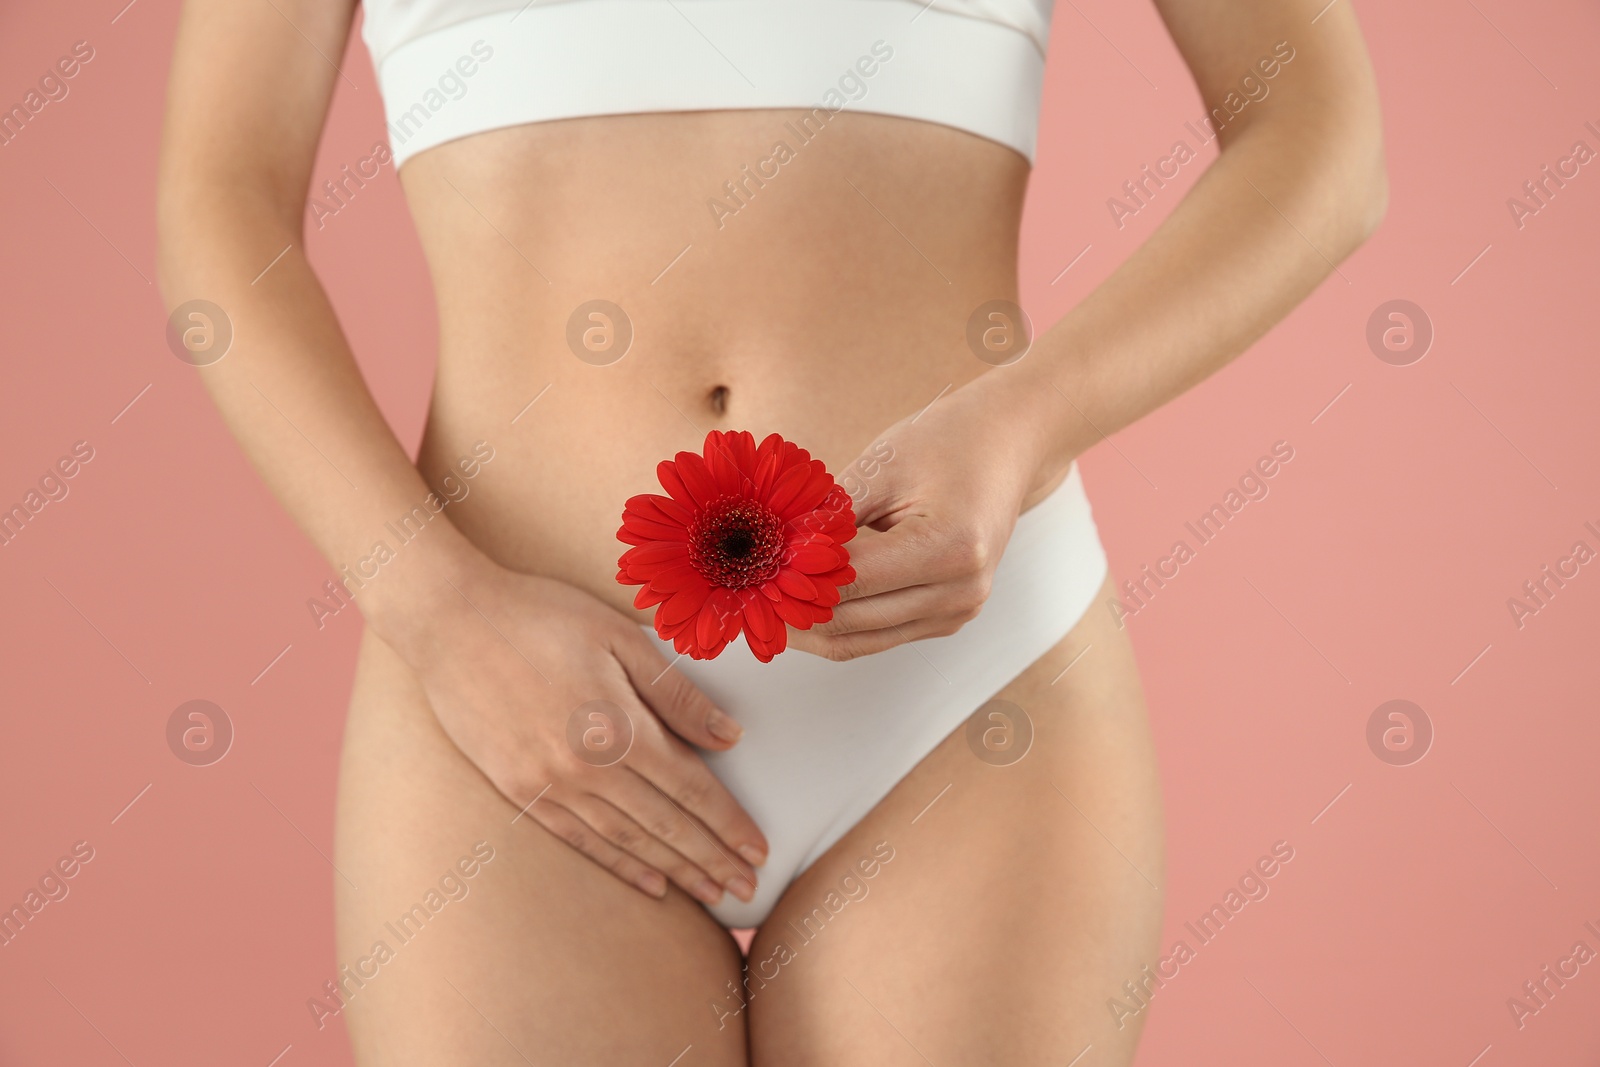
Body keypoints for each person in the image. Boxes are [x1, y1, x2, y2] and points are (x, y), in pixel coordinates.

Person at [157, 0, 1384, 1061]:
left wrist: (1026, 420)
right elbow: (222, 198)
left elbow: (1322, 138)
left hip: (959, 673)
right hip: (508, 667)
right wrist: (428, 601)